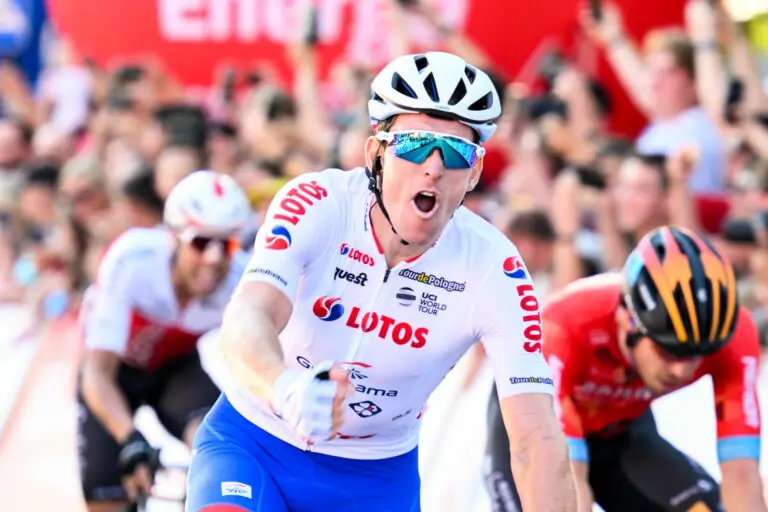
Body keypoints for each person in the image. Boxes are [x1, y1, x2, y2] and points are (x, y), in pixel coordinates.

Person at [186, 51, 576, 512]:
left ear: (474, 172)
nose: (433, 167)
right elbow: (249, 314)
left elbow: (536, 438)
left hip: (374, 478)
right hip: (256, 443)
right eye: (414, 145)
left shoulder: (495, 268)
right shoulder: (318, 203)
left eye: (455, 151)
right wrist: (283, 387)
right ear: (377, 154)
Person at [485, 225, 766, 512]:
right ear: (628, 321)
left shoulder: (734, 337)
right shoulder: (564, 326)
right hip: (538, 428)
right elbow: (564, 474)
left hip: (621, 431)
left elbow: (742, 474)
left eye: (697, 355)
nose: (681, 371)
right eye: (669, 351)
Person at [77, 170, 251, 512]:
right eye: (201, 242)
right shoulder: (133, 260)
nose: (214, 258)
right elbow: (96, 373)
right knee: (108, 497)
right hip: (114, 372)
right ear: (173, 238)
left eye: (227, 244)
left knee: (216, 440)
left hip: (174, 367)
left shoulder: (241, 278)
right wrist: (131, 439)